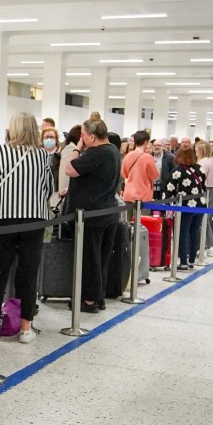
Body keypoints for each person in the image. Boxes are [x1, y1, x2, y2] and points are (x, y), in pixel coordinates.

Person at [0, 113, 53, 342]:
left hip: (5, 220)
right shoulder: (42, 155)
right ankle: (26, 328)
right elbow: (48, 188)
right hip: (35, 220)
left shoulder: (1, 152)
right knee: (28, 274)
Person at [64, 113, 122, 312]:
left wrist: (76, 149)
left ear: (92, 136)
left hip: (91, 214)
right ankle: (99, 296)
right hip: (108, 212)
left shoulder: (96, 152)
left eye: (83, 135)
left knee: (90, 259)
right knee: (102, 258)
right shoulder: (113, 150)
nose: (81, 139)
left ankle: (89, 300)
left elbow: (70, 169)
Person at [164, 146, 206, 270]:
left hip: (185, 206)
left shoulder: (177, 171)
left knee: (182, 233)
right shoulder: (200, 169)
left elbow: (169, 189)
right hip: (200, 205)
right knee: (194, 232)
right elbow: (203, 185)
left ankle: (183, 262)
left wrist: (165, 202)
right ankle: (191, 260)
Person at [121, 131, 158, 206]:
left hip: (128, 194)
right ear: (145, 142)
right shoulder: (148, 157)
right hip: (143, 195)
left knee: (127, 218)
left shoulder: (128, 155)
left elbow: (124, 174)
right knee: (142, 217)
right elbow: (154, 176)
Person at [197, 141, 213, 250]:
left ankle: (207, 244)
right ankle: (209, 243)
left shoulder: (203, 162)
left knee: (202, 219)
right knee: (206, 219)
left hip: (205, 191)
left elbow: (200, 178)